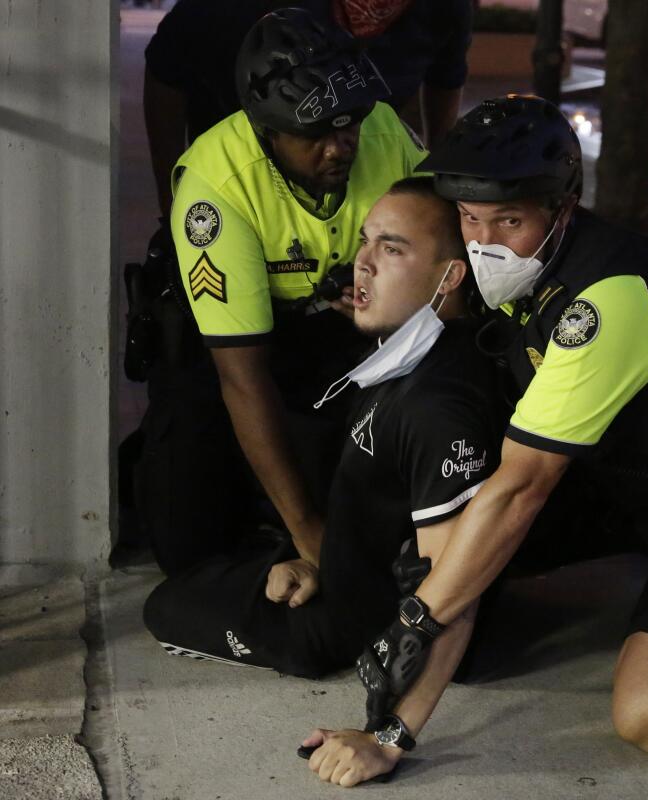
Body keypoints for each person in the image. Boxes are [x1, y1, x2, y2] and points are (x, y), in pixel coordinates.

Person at [299, 95, 648, 787]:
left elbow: (518, 491)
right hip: (613, 482)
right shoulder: (515, 264)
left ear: (562, 210)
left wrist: (397, 709)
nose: (486, 243)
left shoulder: (606, 301)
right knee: (439, 552)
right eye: (470, 220)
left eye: (510, 221)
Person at [142, 177, 502, 681]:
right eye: (364, 240)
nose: (364, 262)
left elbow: (444, 583)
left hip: (343, 621)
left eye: (392, 249)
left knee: (166, 605)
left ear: (449, 277)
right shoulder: (423, 353)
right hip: (338, 569)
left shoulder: (437, 404)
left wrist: (388, 731)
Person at [132, 8, 427, 575]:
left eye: (349, 124)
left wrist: (387, 304)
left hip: (340, 339)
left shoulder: (386, 135)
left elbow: (445, 273)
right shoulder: (215, 187)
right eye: (316, 134)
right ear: (268, 129)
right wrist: (309, 533)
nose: (341, 146)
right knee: (188, 550)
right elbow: (242, 377)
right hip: (227, 356)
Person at [143, 0, 472, 216]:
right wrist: (173, 202)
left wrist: (440, 182)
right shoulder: (229, 13)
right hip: (241, 182)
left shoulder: (442, 9)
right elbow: (165, 69)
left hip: (349, 190)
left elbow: (446, 78)